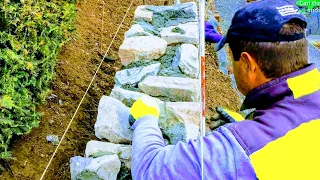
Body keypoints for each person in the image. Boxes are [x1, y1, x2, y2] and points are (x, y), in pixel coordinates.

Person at [129, 0, 320, 179]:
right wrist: (246, 122)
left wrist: (146, 118)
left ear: (248, 64)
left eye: (231, 57)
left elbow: (149, 169)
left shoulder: (247, 148)